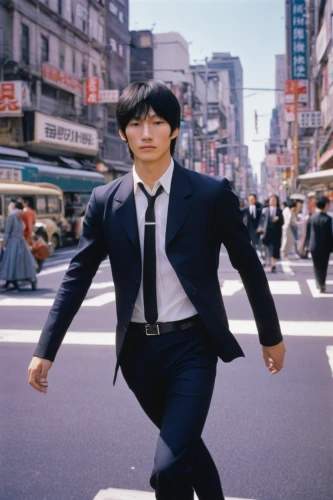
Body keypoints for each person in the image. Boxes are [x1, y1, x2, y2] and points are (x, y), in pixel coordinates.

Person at [28, 80, 286, 500]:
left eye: (157, 122)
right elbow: (76, 277)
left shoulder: (208, 194)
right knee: (188, 457)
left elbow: (249, 267)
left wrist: (270, 337)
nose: (146, 133)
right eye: (135, 124)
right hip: (137, 357)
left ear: (175, 130)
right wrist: (45, 349)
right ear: (123, 132)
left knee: (167, 469)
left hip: (192, 348)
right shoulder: (104, 201)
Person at [0, 201, 37, 291]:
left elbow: (8, 230)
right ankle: (30, 280)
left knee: (11, 263)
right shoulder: (24, 215)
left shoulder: (12, 216)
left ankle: (12, 282)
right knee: (22, 263)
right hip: (22, 241)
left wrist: (5, 240)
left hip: (13, 242)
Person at [305, 196, 333, 293]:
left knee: (316, 266)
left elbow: (308, 233)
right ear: (325, 205)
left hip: (313, 246)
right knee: (324, 266)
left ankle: (319, 283)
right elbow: (331, 234)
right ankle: (322, 284)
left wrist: (307, 245)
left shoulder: (311, 218)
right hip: (325, 247)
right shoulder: (328, 219)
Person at [259, 194, 284, 273]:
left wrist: (278, 218)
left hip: (276, 233)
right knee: (265, 248)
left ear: (276, 201)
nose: (273, 201)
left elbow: (283, 222)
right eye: (271, 200)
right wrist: (260, 228)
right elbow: (261, 221)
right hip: (266, 232)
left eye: (274, 200)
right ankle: (265, 262)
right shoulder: (265, 210)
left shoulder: (279, 210)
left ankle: (273, 265)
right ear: (269, 201)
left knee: (274, 249)